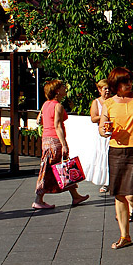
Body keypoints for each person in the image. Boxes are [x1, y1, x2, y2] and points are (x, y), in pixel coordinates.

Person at [100, 67, 133, 249]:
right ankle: (125, 235)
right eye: (124, 81)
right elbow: (102, 128)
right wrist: (105, 131)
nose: (128, 84)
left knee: (132, 193)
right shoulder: (108, 103)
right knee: (119, 194)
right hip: (116, 150)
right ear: (115, 84)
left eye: (129, 80)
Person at [33, 80, 90, 210]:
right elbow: (58, 125)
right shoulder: (57, 106)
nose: (65, 89)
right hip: (55, 140)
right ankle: (38, 199)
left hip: (46, 140)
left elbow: (39, 120)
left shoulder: (45, 104)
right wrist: (64, 144)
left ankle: (75, 196)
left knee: (61, 168)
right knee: (51, 170)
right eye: (63, 87)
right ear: (57, 91)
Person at [85, 79, 110, 194]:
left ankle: (111, 181)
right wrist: (104, 116)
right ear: (100, 90)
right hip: (102, 133)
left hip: (113, 132)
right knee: (103, 157)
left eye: (109, 88)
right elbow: (93, 118)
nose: (108, 91)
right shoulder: (97, 102)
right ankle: (105, 182)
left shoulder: (113, 101)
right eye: (105, 89)